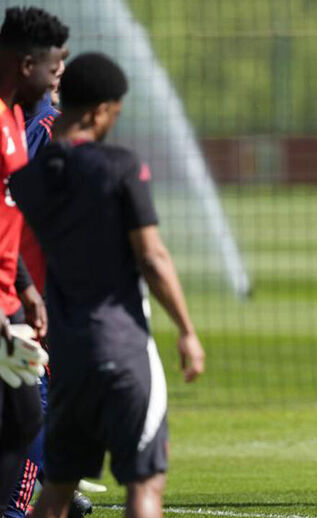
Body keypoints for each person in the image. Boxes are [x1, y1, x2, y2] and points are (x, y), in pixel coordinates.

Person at [10, 52, 205, 518]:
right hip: (123, 346)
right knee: (145, 483)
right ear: (100, 110)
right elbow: (153, 258)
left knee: (55, 490)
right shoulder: (121, 167)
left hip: (65, 352)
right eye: (114, 112)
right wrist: (186, 328)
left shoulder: (31, 179)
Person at [5, 33, 93, 518]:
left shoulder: (21, 121)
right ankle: (25, 501)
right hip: (38, 287)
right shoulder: (44, 125)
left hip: (28, 282)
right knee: (39, 393)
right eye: (55, 62)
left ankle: (53, 483)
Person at [0, 7, 67, 514]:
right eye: (51, 68)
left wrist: (23, 287)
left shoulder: (15, 119)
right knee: (27, 413)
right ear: (26, 66)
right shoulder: (31, 120)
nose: (54, 81)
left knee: (24, 416)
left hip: (12, 296)